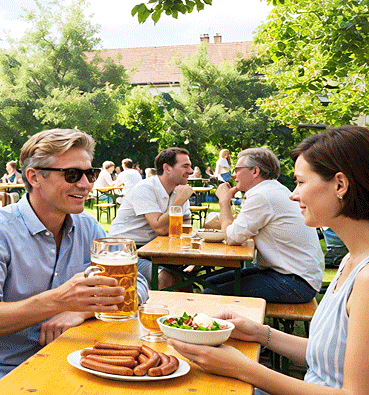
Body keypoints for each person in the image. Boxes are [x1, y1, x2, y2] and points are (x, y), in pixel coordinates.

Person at [168, 126, 369, 394]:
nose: (293, 194)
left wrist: (243, 367)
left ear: (340, 185)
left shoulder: (366, 279)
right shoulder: (351, 260)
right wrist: (260, 333)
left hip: (292, 283)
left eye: (300, 182)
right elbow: (329, 355)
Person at [0, 129, 149, 395]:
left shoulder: (87, 226)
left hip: (70, 360)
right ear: (34, 177)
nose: (86, 184)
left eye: (90, 173)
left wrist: (81, 310)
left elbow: (138, 285)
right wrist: (59, 300)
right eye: (72, 174)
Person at [206, 147, 323, 303]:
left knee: (211, 292)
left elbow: (232, 237)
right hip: (291, 275)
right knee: (209, 283)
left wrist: (223, 201)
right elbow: (239, 230)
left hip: (295, 283)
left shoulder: (262, 195)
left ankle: (227, 326)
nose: (233, 175)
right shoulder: (270, 190)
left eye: (237, 169)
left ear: (255, 171)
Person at [108, 147, 193, 287]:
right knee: (165, 278)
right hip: (124, 251)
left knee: (184, 281)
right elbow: (160, 228)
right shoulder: (145, 188)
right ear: (167, 168)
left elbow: (184, 227)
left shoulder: (179, 191)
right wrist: (179, 202)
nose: (190, 171)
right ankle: (161, 309)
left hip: (153, 250)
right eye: (185, 166)